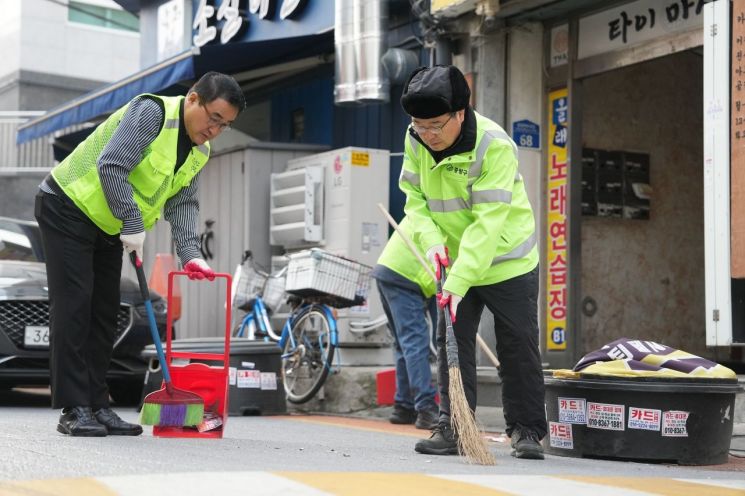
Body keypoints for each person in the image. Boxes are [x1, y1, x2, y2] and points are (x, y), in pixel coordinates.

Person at [34, 71, 245, 436]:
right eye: (214, 118)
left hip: (107, 221)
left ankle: (98, 405)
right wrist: (132, 220)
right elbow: (112, 165)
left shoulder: (199, 151)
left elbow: (183, 202)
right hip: (67, 204)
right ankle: (73, 408)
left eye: (224, 126)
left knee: (104, 311)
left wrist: (191, 253)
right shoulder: (153, 113)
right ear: (193, 99)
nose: (214, 130)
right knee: (75, 306)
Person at [399, 65, 546, 459]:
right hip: (452, 257)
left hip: (505, 258)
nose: (426, 135)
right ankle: (454, 427)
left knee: (518, 343)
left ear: (460, 114)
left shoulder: (493, 145)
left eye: (435, 126)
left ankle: (527, 430)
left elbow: (487, 223)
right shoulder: (416, 139)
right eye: (418, 125)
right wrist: (431, 243)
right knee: (452, 340)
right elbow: (413, 198)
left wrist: (457, 282)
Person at [373, 216, 439, 430]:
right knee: (414, 340)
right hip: (405, 275)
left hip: (390, 270)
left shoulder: (434, 208)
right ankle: (426, 408)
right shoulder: (452, 219)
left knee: (404, 342)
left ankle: (404, 406)